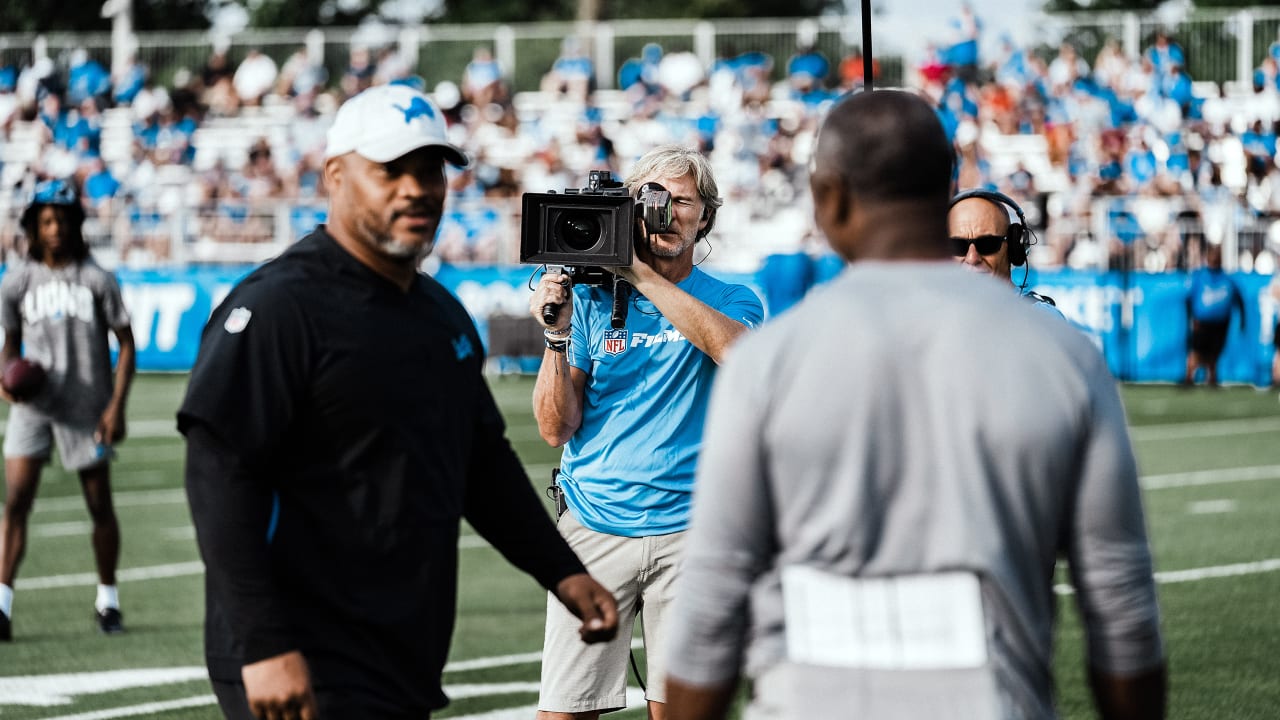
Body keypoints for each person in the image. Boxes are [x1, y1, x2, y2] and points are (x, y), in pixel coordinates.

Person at [664, 90, 1167, 720]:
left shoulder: (769, 363)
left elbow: (711, 607)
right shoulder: (1064, 355)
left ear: (829, 198)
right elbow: (1121, 609)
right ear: (946, 190)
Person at [177, 84, 619, 719]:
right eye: (390, 170)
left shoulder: (440, 316)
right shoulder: (279, 306)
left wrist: (564, 573)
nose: (416, 188)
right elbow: (219, 474)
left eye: (430, 169)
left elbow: (481, 466)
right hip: (303, 651)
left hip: (399, 648)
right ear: (335, 176)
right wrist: (264, 643)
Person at [528, 145, 765, 720]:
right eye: (650, 199)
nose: (665, 212)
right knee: (565, 711)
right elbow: (556, 428)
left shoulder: (733, 299)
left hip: (694, 531)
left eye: (680, 201)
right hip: (595, 520)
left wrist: (636, 271)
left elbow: (740, 356)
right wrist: (555, 338)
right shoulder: (587, 299)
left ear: (705, 216)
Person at [0, 178, 137, 641]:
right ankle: (1, 605)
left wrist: (116, 407)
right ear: (33, 228)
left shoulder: (98, 279)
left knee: (99, 505)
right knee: (16, 500)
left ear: (75, 224)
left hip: (86, 405)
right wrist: (6, 377)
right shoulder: (17, 281)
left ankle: (108, 600)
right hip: (34, 406)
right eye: (45, 221)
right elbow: (10, 342)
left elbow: (127, 343)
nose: (54, 228)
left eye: (61, 220)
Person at [948, 188, 1062, 315]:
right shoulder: (933, 315)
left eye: (987, 244)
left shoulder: (1042, 318)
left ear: (1014, 247)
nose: (972, 258)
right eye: (958, 245)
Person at [1183, 243, 1245, 388]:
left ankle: (1212, 378)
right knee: (1197, 351)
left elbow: (1239, 300)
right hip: (1202, 322)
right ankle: (1189, 378)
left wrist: (1243, 320)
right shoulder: (1199, 276)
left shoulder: (1227, 279)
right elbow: (1188, 299)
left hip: (1220, 323)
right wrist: (1191, 318)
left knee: (1214, 353)